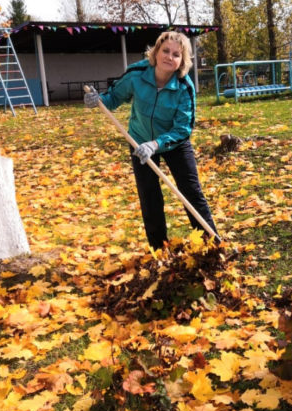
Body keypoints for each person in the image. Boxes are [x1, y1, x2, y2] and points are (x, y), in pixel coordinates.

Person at [84, 31, 219, 250]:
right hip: (139, 141)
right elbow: (114, 98)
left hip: (174, 143)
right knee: (149, 197)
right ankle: (160, 250)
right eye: (165, 50)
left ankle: (212, 245)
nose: (169, 57)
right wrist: (97, 100)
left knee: (191, 191)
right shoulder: (137, 74)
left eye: (176, 54)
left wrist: (156, 144)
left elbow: (183, 129)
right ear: (155, 52)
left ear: (182, 61)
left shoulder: (185, 87)